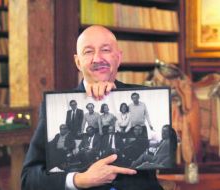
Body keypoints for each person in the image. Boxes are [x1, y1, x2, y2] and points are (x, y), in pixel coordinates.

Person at [21, 25, 167, 190]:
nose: (97, 59)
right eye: (88, 52)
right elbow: (29, 179)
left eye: (105, 50)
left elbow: (167, 147)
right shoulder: (56, 106)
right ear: (78, 62)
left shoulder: (145, 96)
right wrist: (79, 180)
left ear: (118, 58)